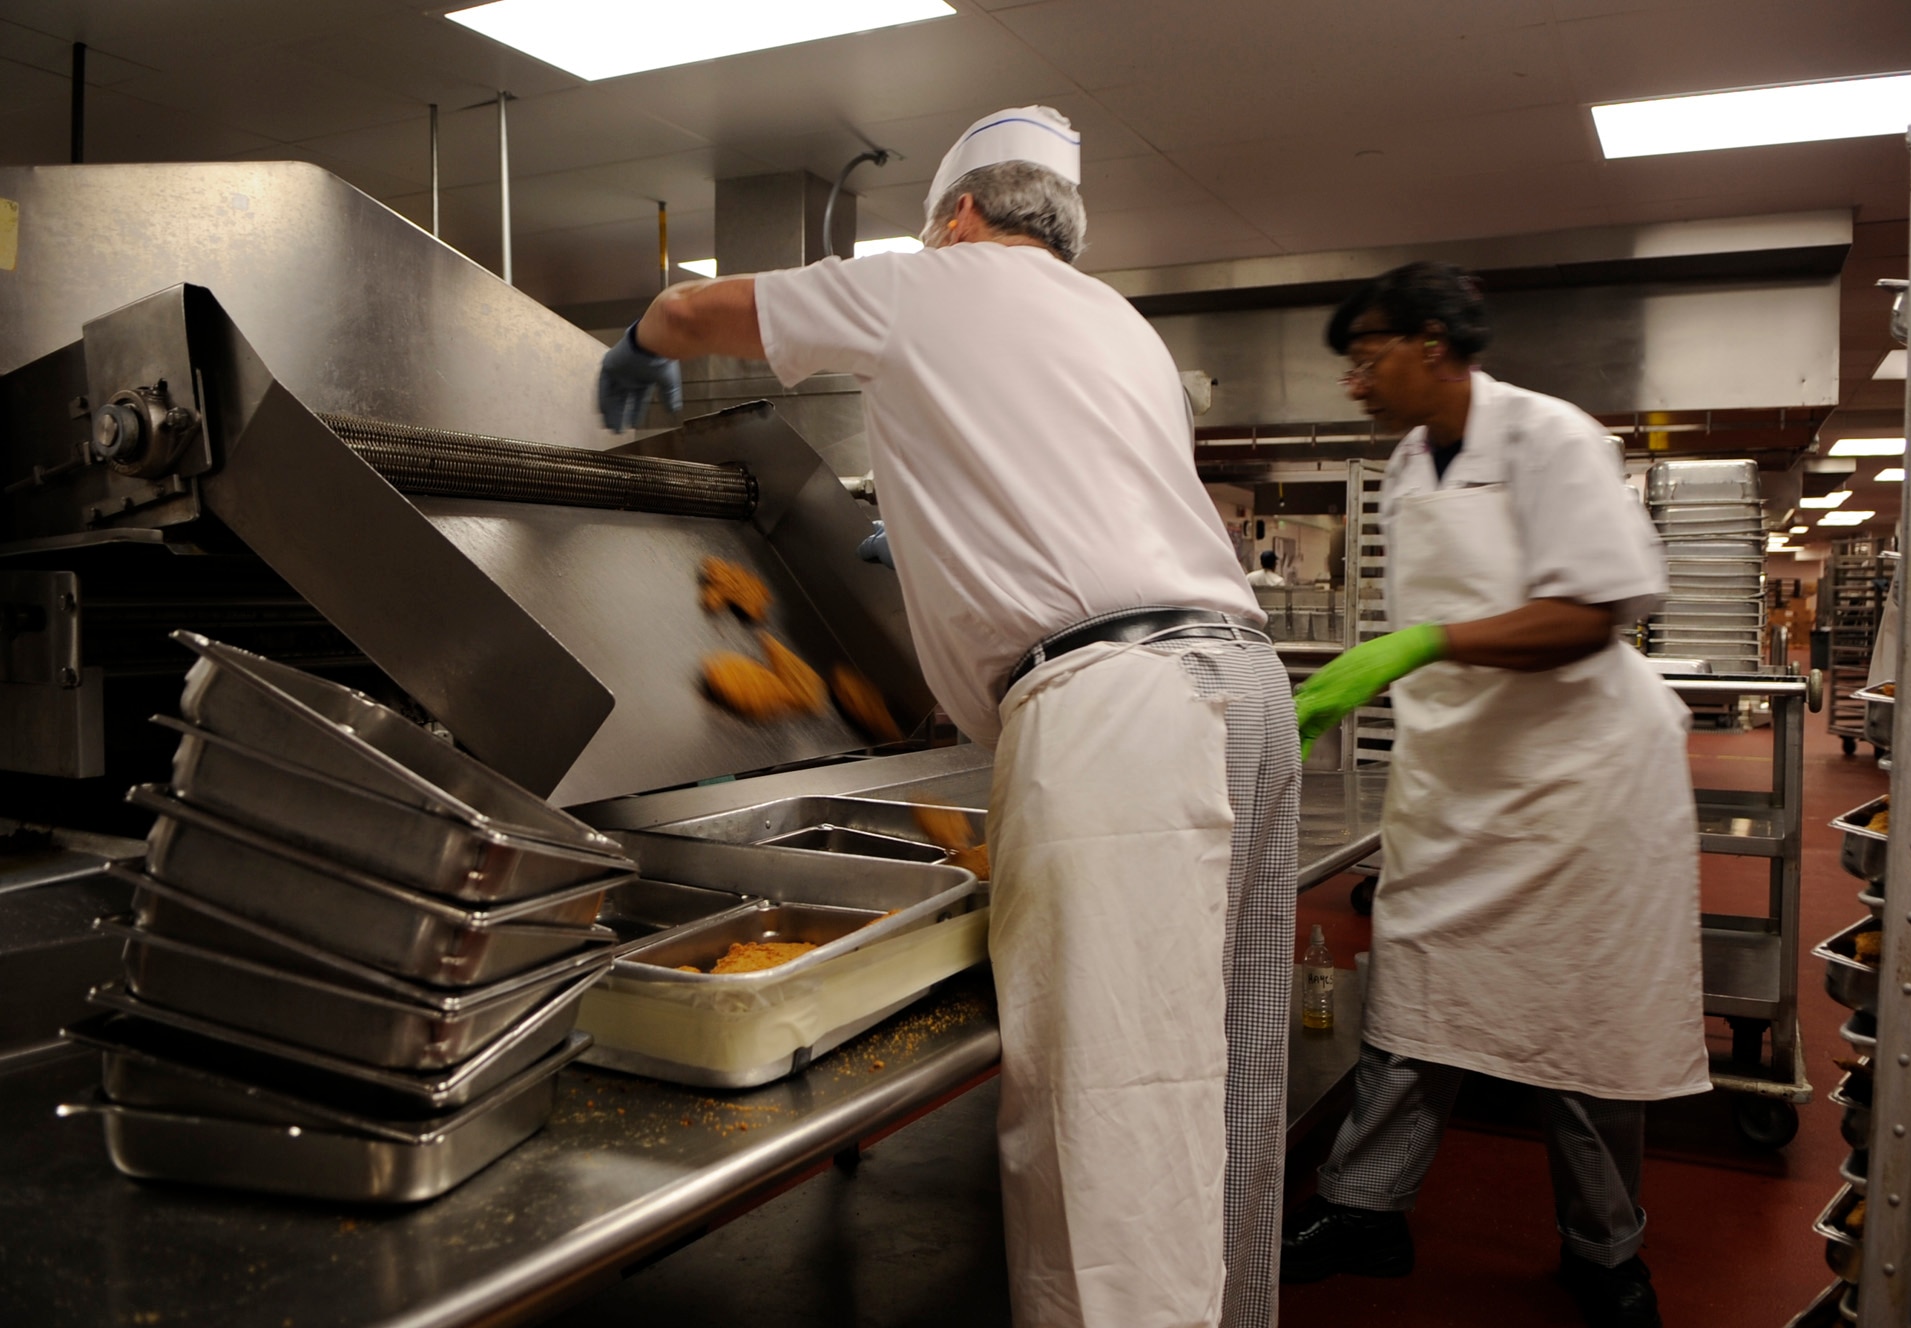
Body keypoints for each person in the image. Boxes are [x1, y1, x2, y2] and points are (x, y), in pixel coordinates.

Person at [597, 106, 1301, 1328]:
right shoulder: (1121, 326)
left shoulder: (935, 280)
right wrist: (937, 547)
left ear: (964, 213)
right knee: (1223, 1070)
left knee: (1113, 1112)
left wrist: (643, 334)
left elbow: (696, 311)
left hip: (1119, 710)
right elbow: (1085, 497)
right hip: (1238, 681)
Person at [1284, 262, 1705, 1328]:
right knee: (1415, 997)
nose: (1355, 378)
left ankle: (1604, 1253)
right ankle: (1364, 1207)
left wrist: (1414, 643)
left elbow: (1591, 610)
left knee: (1580, 1026)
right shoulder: (1404, 464)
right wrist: (1392, 673)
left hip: (1578, 779)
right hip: (1463, 770)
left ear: (1431, 341)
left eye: (1366, 351)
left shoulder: (1548, 435)